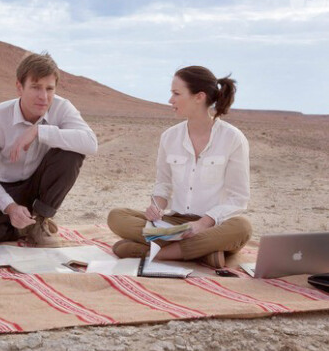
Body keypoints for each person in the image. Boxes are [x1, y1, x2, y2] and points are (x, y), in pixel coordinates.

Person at [107, 65, 252, 268]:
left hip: (213, 227)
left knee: (242, 227)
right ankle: (203, 255)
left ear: (198, 97)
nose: (170, 100)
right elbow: (163, 184)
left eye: (176, 93)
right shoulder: (169, 137)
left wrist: (203, 224)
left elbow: (238, 197)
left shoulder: (232, 138)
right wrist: (156, 207)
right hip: (175, 225)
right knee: (116, 216)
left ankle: (158, 253)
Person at [0, 52, 98, 249]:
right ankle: (22, 226)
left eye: (49, 88)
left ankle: (40, 220)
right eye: (35, 87)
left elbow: (90, 143)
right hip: (5, 186)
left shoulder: (62, 107)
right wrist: (10, 207)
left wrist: (39, 131)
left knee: (72, 152)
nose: (44, 97)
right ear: (19, 87)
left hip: (39, 185)